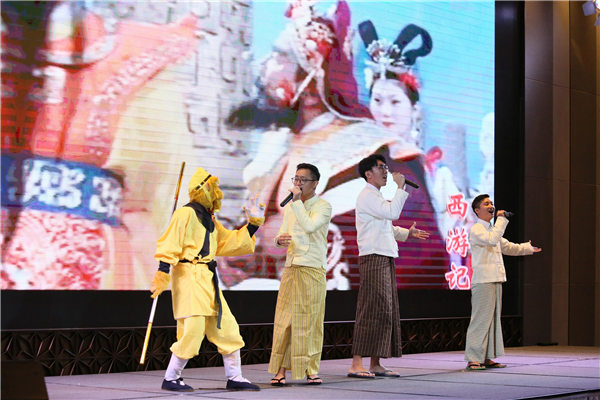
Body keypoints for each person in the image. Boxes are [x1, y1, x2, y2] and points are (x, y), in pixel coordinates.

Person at [149, 167, 265, 392]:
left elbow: (228, 242)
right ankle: (171, 377)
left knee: (227, 327)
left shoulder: (210, 219)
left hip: (208, 279)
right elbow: (170, 242)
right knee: (192, 330)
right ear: (205, 188)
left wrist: (253, 224)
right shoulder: (184, 214)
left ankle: (235, 377)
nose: (218, 192)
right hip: (189, 276)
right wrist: (163, 272)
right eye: (215, 187)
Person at [348, 154, 430, 379]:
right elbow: (392, 213)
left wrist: (407, 233)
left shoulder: (376, 196)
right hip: (373, 256)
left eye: (386, 167)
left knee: (384, 310)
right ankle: (356, 363)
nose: (386, 171)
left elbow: (386, 225)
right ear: (368, 174)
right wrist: (401, 188)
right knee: (370, 309)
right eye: (380, 167)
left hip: (383, 255)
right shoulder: (367, 195)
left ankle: (375, 363)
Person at [268, 163, 332, 386]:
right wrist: (278, 240)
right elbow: (281, 234)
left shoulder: (323, 206)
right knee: (284, 320)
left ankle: (310, 370)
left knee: (310, 321)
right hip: (292, 266)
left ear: (315, 183)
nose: (298, 183)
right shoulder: (291, 207)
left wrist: (296, 202)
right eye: (295, 179)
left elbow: (310, 226)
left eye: (303, 180)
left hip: (313, 268)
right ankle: (280, 370)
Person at [464, 194, 541, 370]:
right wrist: (501, 219)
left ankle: (486, 357)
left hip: (496, 279)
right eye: (486, 204)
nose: (491, 205)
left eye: (491, 203)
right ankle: (473, 358)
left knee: (492, 321)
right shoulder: (477, 229)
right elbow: (492, 240)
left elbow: (508, 247)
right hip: (483, 281)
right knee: (481, 320)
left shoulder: (493, 230)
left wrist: (527, 248)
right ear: (477, 210)